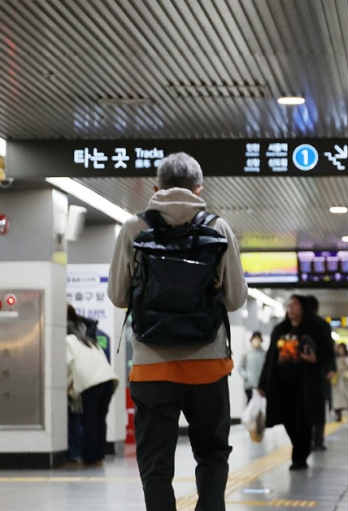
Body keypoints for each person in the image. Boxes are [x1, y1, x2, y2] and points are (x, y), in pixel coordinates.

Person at [108, 152, 247, 511]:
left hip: (152, 367)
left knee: (155, 464)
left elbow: (118, 296)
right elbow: (235, 299)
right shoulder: (218, 228)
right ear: (199, 189)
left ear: (156, 188)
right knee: (212, 454)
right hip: (208, 366)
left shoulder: (134, 228)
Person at [257, 295, 334, 470]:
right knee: (286, 418)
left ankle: (300, 456)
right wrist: (262, 383)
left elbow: (328, 353)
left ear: (304, 308)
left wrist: (315, 359)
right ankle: (298, 447)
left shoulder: (316, 328)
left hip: (305, 384)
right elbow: (270, 359)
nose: (291, 308)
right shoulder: (280, 330)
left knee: (304, 419)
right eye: (289, 305)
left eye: (295, 305)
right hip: (282, 383)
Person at [65, 305, 119, 468]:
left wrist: (66, 388)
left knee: (89, 421)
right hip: (108, 381)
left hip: (92, 384)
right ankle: (98, 457)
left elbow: (68, 366)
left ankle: (88, 458)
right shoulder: (87, 340)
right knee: (100, 420)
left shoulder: (68, 341)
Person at [305, 295, 336, 451]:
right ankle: (318, 441)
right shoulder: (323, 324)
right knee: (318, 409)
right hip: (321, 373)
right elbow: (330, 349)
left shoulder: (300, 324)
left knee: (306, 409)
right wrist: (331, 369)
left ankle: (309, 440)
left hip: (307, 375)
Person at [238, 331, 266, 402]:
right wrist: (246, 375)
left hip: (261, 384)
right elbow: (240, 367)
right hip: (249, 385)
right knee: (250, 402)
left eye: (258, 339)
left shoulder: (265, 354)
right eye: (255, 339)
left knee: (261, 404)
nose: (256, 341)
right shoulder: (246, 353)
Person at [332, 343, 348, 422]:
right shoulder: (335, 358)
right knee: (338, 400)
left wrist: (346, 362)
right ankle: (338, 415)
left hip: (346, 380)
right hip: (338, 381)